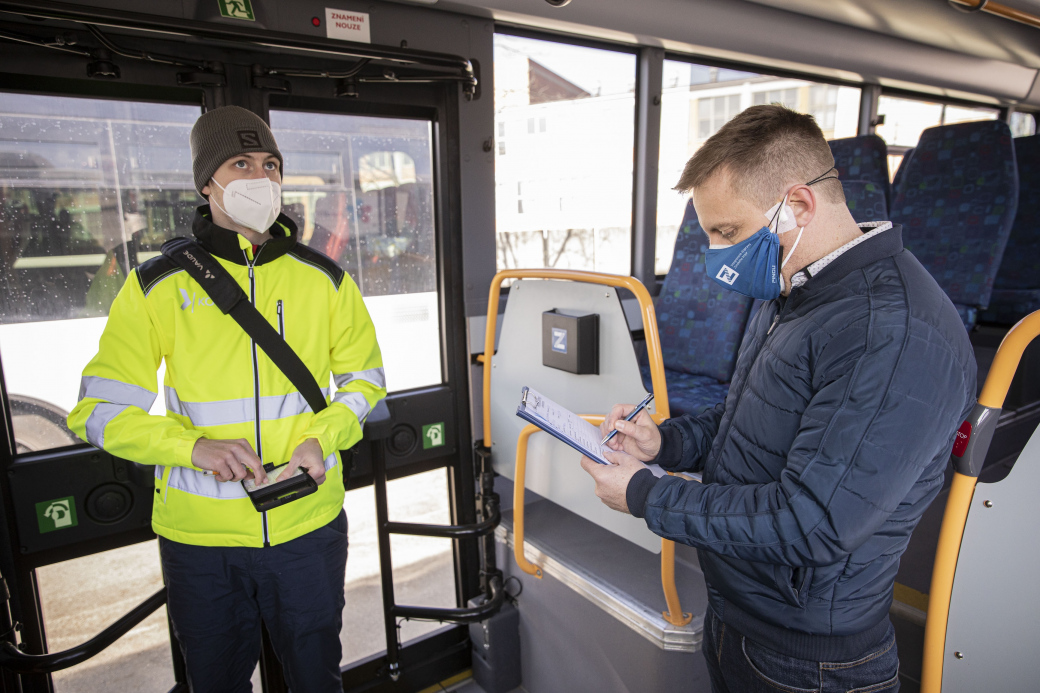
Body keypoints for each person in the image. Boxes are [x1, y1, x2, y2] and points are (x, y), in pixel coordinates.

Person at [581, 105, 975, 693]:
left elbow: (811, 521)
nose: (715, 258)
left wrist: (646, 493)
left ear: (799, 205)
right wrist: (667, 440)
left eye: (726, 232)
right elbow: (746, 420)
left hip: (810, 661)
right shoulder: (794, 288)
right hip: (742, 615)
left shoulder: (890, 333)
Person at [68, 105, 386, 692]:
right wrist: (193, 448)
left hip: (307, 526)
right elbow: (97, 414)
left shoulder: (326, 279)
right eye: (241, 163)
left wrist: (325, 436)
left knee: (318, 678)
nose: (260, 178)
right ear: (206, 182)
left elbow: (365, 383)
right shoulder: (157, 287)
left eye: (271, 164)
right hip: (202, 541)